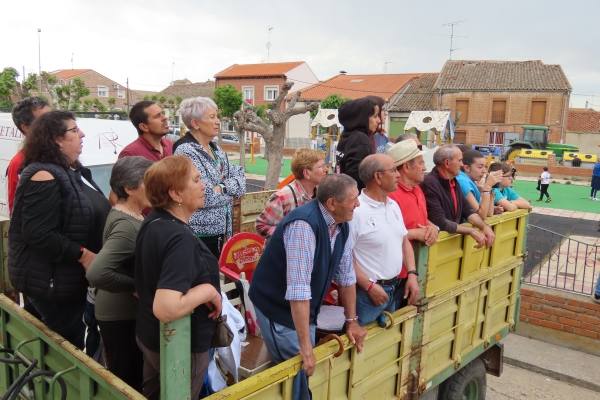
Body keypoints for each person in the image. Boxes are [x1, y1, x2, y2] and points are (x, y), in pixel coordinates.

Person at [8, 111, 110, 350]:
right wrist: (83, 254)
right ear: (56, 139)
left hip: (63, 279)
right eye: (74, 130)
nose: (82, 134)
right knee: (62, 348)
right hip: (50, 282)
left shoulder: (70, 170)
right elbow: (37, 233)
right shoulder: (43, 175)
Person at [249, 174, 367, 380]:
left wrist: (352, 321)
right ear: (332, 203)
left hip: (303, 308)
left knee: (302, 370)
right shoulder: (304, 226)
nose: (358, 204)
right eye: (353, 199)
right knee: (299, 372)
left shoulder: (343, 224)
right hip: (279, 308)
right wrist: (305, 347)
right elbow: (298, 292)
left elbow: (346, 277)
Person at [135, 155, 221, 400]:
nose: (203, 184)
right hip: (180, 346)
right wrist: (209, 291)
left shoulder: (153, 222)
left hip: (152, 337)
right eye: (195, 179)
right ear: (176, 194)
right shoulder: (178, 237)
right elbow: (166, 307)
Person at [85, 156, 153, 390]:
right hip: (120, 316)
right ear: (129, 188)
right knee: (127, 380)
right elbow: (97, 273)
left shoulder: (130, 214)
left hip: (122, 313)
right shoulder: (126, 226)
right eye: (148, 181)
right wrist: (135, 285)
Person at [174, 97, 246, 258]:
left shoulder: (216, 149)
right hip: (200, 233)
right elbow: (204, 196)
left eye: (217, 117)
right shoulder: (185, 151)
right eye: (212, 117)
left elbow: (241, 178)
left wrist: (222, 187)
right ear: (195, 123)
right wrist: (228, 189)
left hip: (222, 230)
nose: (218, 121)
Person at [351, 154, 418, 326]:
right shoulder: (356, 211)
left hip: (394, 288)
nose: (398, 175)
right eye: (394, 170)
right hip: (368, 294)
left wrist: (412, 274)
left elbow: (404, 241)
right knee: (365, 346)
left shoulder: (393, 205)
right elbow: (345, 256)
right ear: (378, 177)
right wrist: (369, 286)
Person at [421, 144, 495, 248]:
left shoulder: (453, 181)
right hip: (434, 247)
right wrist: (471, 231)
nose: (462, 165)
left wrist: (484, 227)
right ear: (447, 163)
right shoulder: (430, 183)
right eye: (459, 161)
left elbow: (467, 211)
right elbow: (440, 221)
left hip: (447, 245)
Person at [255, 148, 327, 238]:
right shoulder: (283, 197)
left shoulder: (321, 194)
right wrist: (289, 235)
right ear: (306, 173)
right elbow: (261, 226)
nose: (326, 170)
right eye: (321, 167)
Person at [387, 139, 439, 248]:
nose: (425, 168)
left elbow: (418, 219)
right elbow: (383, 234)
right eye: (421, 163)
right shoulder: (390, 196)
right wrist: (414, 233)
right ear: (406, 167)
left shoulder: (417, 189)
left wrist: (432, 227)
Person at [6, 97, 50, 214]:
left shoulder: (62, 152)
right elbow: (16, 213)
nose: (54, 123)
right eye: (44, 120)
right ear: (26, 127)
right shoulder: (19, 163)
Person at [335, 97, 381, 189]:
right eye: (375, 116)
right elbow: (357, 177)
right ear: (362, 118)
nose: (379, 120)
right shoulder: (360, 139)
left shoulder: (346, 136)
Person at [455, 149, 502, 218]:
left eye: (485, 167)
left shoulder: (471, 181)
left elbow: (489, 213)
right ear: (467, 168)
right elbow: (481, 215)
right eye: (480, 167)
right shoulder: (462, 181)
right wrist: (487, 187)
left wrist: (491, 190)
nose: (484, 171)